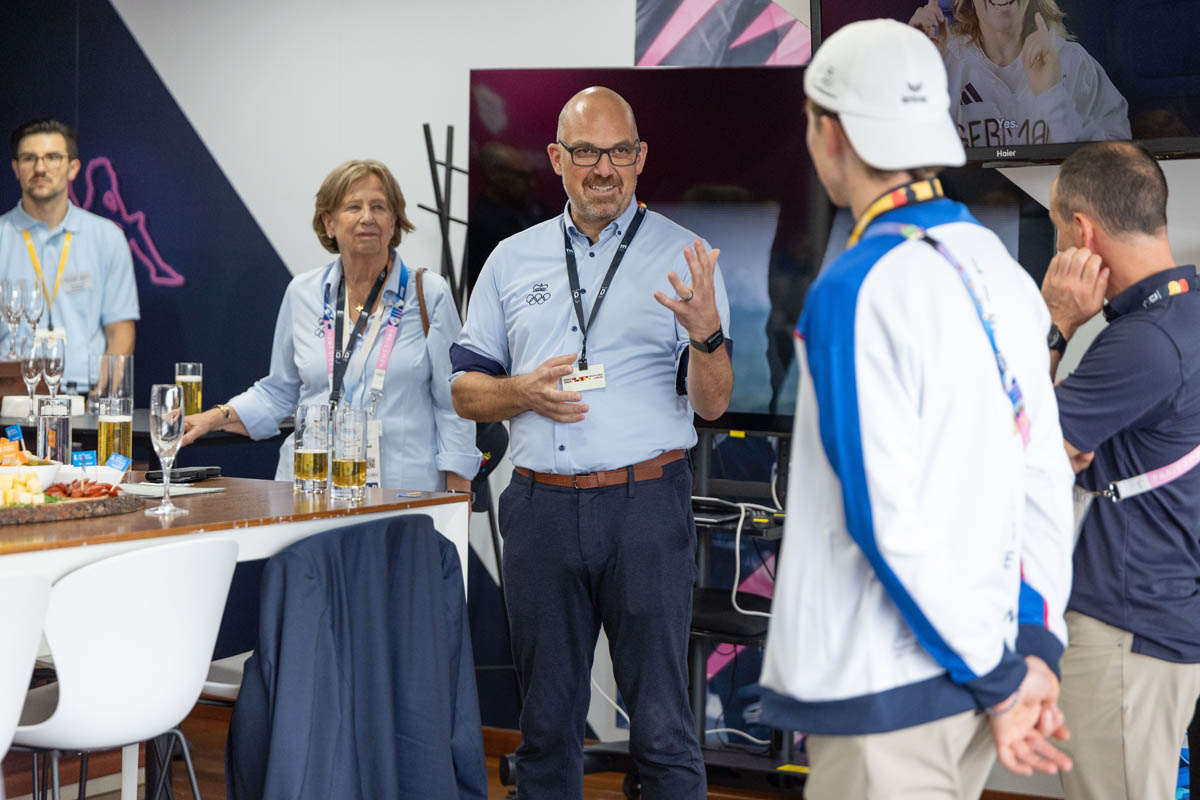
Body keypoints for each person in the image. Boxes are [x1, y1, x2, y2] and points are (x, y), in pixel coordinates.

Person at [758, 19, 1076, 799]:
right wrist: (1034, 648)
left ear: (831, 133)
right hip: (980, 676)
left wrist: (1003, 677)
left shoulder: (853, 287)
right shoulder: (1001, 271)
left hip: (883, 691)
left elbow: (882, 516)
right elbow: (1041, 474)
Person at [450, 86, 733, 799]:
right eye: (585, 152)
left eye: (618, 152)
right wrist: (522, 392)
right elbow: (464, 391)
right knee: (546, 729)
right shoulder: (511, 259)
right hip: (540, 512)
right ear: (557, 159)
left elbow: (713, 404)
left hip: (645, 509)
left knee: (662, 728)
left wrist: (707, 335)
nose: (603, 168)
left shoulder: (686, 258)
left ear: (640, 158)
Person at [1040, 141, 1200, 800]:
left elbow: (1014, 450)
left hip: (1124, 636)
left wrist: (1056, 325)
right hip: (1159, 619)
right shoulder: (1184, 315)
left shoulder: (1143, 343)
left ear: (1082, 232)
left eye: (1056, 229)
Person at [181, 159, 478, 493]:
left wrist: (458, 494)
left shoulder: (428, 294)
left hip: (402, 494)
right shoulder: (303, 293)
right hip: (310, 490)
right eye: (353, 207)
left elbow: (454, 404)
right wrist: (213, 417)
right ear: (329, 222)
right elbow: (279, 392)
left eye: (379, 207)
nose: (367, 217)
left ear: (394, 222)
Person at [0, 119, 138, 387]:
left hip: (83, 394)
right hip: (10, 397)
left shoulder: (107, 236)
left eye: (52, 157)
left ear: (73, 168)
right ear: (16, 168)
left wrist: (103, 396)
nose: (40, 168)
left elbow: (120, 329)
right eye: (29, 158)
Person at [909, 0, 1129, 147]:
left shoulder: (1072, 60)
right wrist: (914, 69)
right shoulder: (941, 60)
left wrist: (1053, 96)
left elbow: (1116, 162)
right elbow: (909, 155)